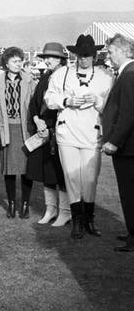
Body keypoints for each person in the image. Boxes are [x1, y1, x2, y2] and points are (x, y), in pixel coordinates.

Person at [45, 34, 112, 239]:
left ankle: (89, 219)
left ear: (94, 55)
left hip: (92, 134)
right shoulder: (62, 74)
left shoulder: (105, 77)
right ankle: (77, 221)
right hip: (68, 133)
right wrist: (67, 100)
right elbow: (49, 98)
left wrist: (98, 101)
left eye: (88, 56)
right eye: (80, 55)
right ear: (74, 55)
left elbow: (111, 107)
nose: (83, 60)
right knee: (72, 177)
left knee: (90, 179)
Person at [25, 43, 69, 226]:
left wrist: (48, 124)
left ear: (61, 59)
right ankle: (50, 209)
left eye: (52, 57)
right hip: (43, 130)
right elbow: (35, 102)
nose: (48, 60)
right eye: (46, 57)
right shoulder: (45, 77)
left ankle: (65, 211)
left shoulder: (67, 76)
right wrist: (36, 119)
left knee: (61, 173)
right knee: (46, 172)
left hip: (59, 130)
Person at [0, 47, 36, 218]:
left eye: (20, 61)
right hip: (6, 129)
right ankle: (11, 204)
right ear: (6, 63)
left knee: (27, 169)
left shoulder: (29, 80)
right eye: (15, 61)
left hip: (24, 129)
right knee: (9, 169)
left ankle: (25, 204)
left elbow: (34, 104)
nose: (19, 64)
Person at [102, 33, 134, 252]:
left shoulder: (129, 75)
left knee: (130, 192)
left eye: (111, 52)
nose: (109, 56)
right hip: (127, 147)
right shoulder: (126, 74)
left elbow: (128, 113)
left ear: (123, 51)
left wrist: (114, 141)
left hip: (128, 148)